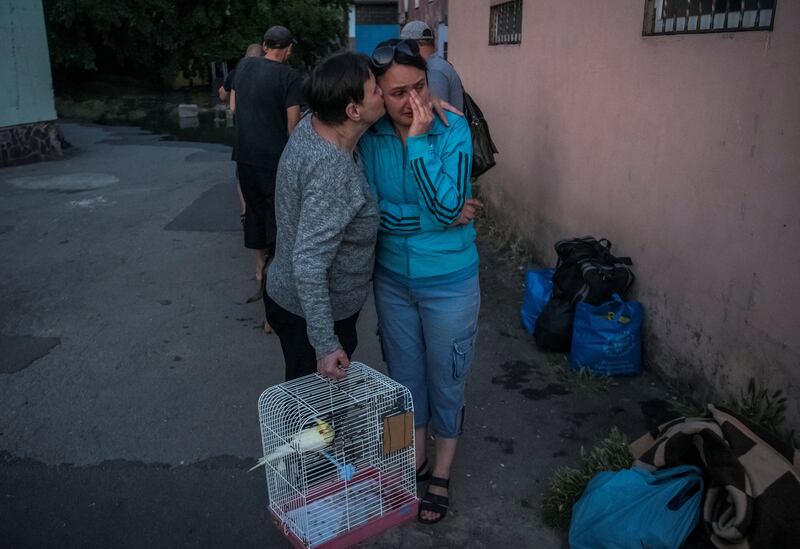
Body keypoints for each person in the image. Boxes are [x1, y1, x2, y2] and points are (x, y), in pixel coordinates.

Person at [358, 38, 482, 524]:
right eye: (397, 94)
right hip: (391, 279)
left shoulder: (452, 129)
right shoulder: (368, 136)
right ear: (376, 96)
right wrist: (430, 217)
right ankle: (408, 458)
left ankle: (441, 473)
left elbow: (451, 208)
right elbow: (371, 212)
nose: (413, 102)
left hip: (449, 281)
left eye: (420, 87)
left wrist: (416, 144)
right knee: (402, 381)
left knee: (446, 379)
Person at [265, 51, 385, 381]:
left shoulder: (313, 123)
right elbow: (309, 262)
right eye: (376, 89)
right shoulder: (333, 172)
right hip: (313, 317)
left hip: (290, 299)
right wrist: (326, 345)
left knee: (307, 405)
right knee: (315, 422)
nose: (383, 93)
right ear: (353, 110)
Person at [232, 26, 303, 313]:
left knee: (255, 218)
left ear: (264, 45)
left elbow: (235, 106)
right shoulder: (289, 76)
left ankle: (260, 274)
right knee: (279, 229)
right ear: (289, 48)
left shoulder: (245, 66)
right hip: (274, 163)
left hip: (244, 158)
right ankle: (273, 308)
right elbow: (293, 125)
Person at [218, 43, 263, 227]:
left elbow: (223, 94)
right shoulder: (271, 71)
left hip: (243, 134)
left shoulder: (238, 71)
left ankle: (246, 210)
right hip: (266, 133)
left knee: (242, 174)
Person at [399, 20, 464, 111]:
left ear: (413, 45)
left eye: (403, 47)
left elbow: (438, 116)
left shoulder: (433, 70)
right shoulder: (436, 64)